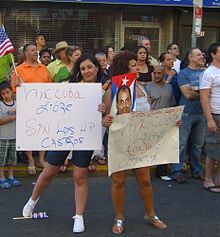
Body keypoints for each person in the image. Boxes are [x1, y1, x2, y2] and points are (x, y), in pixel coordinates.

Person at [22, 54, 105, 234]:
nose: (87, 71)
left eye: (90, 67)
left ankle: (79, 216)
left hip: (85, 137)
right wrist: (25, 92)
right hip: (62, 135)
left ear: (97, 68)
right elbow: (45, 98)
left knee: (79, 176)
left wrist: (103, 112)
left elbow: (106, 120)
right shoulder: (68, 87)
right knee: (49, 171)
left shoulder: (103, 92)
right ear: (79, 71)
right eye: (83, 68)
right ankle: (32, 202)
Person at [103, 51, 166, 235]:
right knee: (118, 182)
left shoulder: (142, 88)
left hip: (140, 142)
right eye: (133, 65)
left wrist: (170, 122)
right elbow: (103, 118)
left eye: (137, 64)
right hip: (120, 142)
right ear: (124, 69)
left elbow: (150, 115)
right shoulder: (111, 91)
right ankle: (119, 217)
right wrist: (104, 121)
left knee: (145, 181)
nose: (138, 67)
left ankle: (151, 214)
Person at [11, 43, 52, 174]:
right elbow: (13, 93)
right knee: (28, 133)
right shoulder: (19, 69)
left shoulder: (44, 68)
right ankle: (30, 160)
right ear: (26, 53)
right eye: (32, 50)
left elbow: (50, 88)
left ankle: (41, 159)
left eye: (36, 50)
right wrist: (18, 88)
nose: (36, 52)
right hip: (27, 107)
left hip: (43, 107)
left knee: (43, 132)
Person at [170, 48, 206, 183]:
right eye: (198, 54)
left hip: (202, 113)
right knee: (181, 144)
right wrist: (203, 93)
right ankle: (176, 171)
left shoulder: (206, 73)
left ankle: (197, 170)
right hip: (187, 113)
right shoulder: (183, 73)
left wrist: (196, 90)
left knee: (198, 145)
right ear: (191, 58)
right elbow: (187, 94)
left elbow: (210, 93)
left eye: (202, 54)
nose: (202, 56)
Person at [146, 65, 176, 180]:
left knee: (164, 146)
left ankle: (161, 172)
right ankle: (145, 172)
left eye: (159, 73)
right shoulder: (148, 88)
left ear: (164, 74)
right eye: (155, 73)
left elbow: (172, 103)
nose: (157, 75)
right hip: (152, 121)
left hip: (166, 121)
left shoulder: (169, 87)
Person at [200, 42, 220, 193]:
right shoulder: (209, 73)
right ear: (213, 54)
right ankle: (208, 179)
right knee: (212, 149)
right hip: (215, 114)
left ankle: (218, 179)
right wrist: (209, 119)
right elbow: (204, 97)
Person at [0, 81, 21, 189]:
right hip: (3, 137)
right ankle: (2, 178)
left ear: (11, 92)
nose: (5, 95)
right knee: (2, 159)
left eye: (7, 93)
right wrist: (12, 117)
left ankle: (11, 176)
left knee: (12, 159)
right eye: (3, 94)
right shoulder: (0, 105)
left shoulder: (17, 103)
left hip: (14, 136)